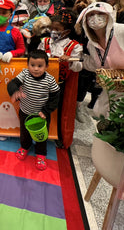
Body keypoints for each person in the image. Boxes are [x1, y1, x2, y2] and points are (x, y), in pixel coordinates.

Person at [7, 50, 60, 171]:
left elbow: (55, 97)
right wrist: (14, 91)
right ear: (27, 64)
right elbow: (13, 83)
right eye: (32, 65)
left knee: (41, 136)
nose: (36, 69)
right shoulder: (24, 74)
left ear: (46, 66)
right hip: (25, 112)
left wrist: (46, 111)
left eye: (40, 66)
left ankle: (41, 154)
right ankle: (25, 147)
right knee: (24, 133)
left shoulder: (50, 80)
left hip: (41, 116)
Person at [38, 11, 83, 147]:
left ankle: (58, 135)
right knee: (40, 108)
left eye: (57, 29)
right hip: (41, 82)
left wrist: (69, 60)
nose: (53, 31)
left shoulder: (74, 46)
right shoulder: (45, 41)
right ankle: (39, 133)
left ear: (67, 31)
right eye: (52, 28)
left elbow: (79, 67)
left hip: (60, 85)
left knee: (58, 110)